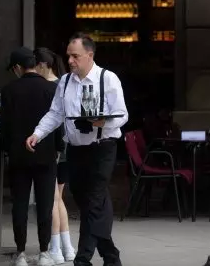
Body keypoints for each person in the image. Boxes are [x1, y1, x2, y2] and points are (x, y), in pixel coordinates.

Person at [26, 34, 129, 266]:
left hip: (102, 148)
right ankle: (111, 256)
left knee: (94, 202)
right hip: (76, 150)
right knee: (90, 204)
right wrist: (37, 134)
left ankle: (82, 260)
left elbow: (122, 114)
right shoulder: (64, 82)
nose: (70, 61)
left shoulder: (107, 79)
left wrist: (102, 122)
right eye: (69, 56)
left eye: (75, 56)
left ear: (89, 56)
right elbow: (55, 113)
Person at [0, 47, 63, 266]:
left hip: (18, 157)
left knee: (20, 205)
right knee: (45, 205)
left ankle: (21, 253)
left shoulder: (8, 90)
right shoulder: (50, 89)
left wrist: (5, 150)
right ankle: (45, 252)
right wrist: (58, 148)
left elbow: (4, 128)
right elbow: (57, 121)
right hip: (46, 155)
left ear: (17, 67)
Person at [34, 47, 76, 263]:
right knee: (58, 198)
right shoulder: (63, 83)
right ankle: (66, 247)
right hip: (65, 146)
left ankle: (57, 248)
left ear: (42, 64)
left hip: (55, 148)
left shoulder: (50, 86)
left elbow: (54, 119)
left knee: (52, 198)